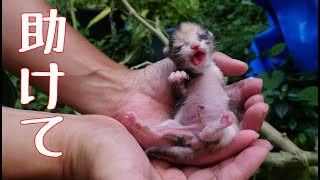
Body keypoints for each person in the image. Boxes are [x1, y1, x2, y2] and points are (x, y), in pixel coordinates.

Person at [2, 0, 272, 179]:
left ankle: (208, 130)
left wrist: (118, 92)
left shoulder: (210, 72)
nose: (194, 47)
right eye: (182, 46)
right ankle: (177, 133)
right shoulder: (186, 75)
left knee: (206, 130)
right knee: (167, 131)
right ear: (170, 54)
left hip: (206, 126)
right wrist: (76, 143)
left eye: (201, 40)